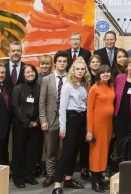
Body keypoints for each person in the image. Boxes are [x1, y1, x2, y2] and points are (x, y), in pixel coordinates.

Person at [52, 59, 90, 194]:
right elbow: (62, 108)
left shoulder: (85, 85)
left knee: (75, 152)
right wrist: (62, 128)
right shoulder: (67, 86)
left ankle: (68, 179)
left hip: (81, 121)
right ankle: (57, 185)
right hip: (70, 121)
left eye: (82, 69)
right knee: (66, 154)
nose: (80, 71)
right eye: (77, 69)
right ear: (73, 71)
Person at [39, 51, 68, 188]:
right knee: (50, 149)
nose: (62, 63)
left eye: (64, 61)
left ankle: (60, 173)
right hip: (50, 120)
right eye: (60, 61)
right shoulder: (47, 79)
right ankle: (50, 174)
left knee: (63, 149)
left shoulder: (71, 78)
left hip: (66, 120)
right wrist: (43, 119)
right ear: (55, 63)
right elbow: (42, 101)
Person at [12, 64, 42, 188]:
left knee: (31, 151)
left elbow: (42, 105)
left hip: (35, 124)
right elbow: (15, 106)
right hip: (20, 125)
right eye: (28, 72)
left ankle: (28, 175)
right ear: (23, 75)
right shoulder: (18, 88)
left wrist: (37, 121)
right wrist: (26, 121)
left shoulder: (39, 87)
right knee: (19, 151)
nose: (31, 74)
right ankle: (18, 177)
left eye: (33, 71)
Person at [86, 64, 114, 193]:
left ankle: (100, 178)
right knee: (96, 152)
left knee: (104, 152)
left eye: (108, 72)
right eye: (103, 72)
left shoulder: (111, 87)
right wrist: (90, 130)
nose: (106, 74)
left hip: (108, 125)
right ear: (99, 74)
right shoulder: (94, 88)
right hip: (97, 125)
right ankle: (94, 180)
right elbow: (90, 110)